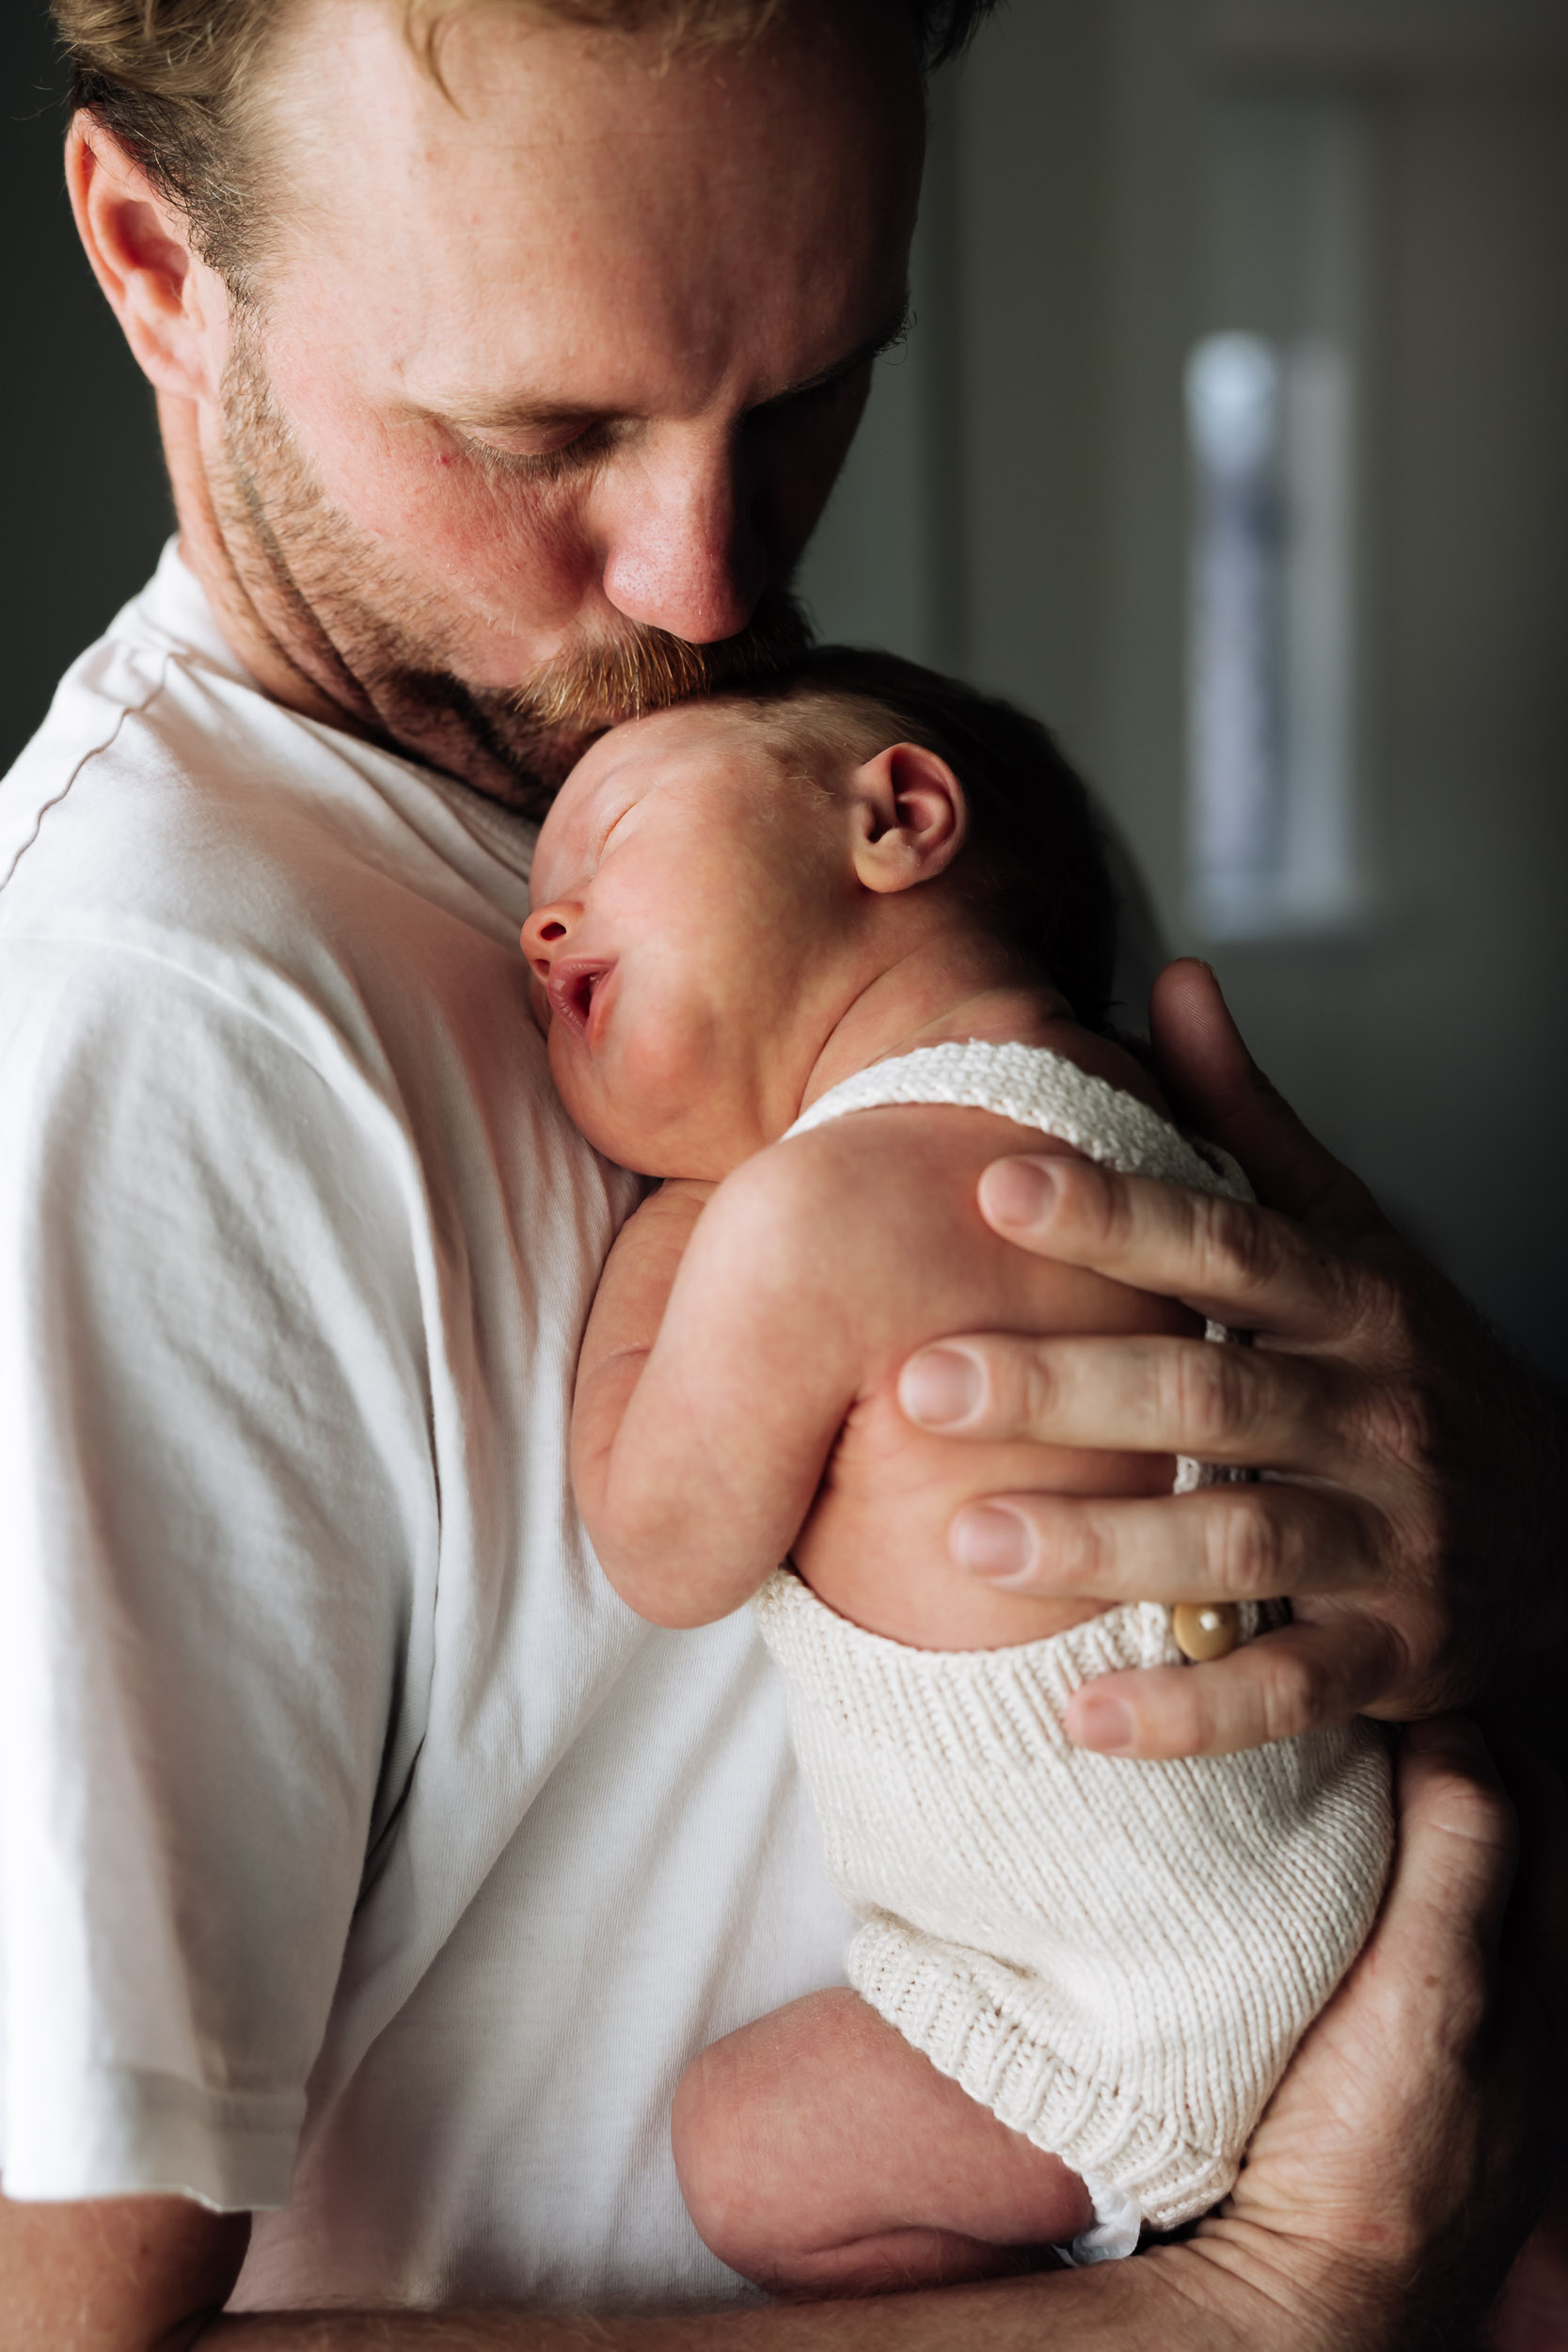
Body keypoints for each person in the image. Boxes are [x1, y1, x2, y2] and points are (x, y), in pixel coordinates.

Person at [0, 0, 1562, 2341]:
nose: (710, 581)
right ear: (151, 259)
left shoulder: (821, 819)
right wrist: (1259, 2304)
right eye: (541, 428)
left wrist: (1493, 1526)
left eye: (818, 386)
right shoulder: (164, 1022)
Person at [523, 650, 1395, 2291]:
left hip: (1109, 2016)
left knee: (745, 2149)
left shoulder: (802, 1218)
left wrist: (675, 1232)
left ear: (897, 815)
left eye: (609, 836)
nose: (539, 929)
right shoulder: (1136, 1119)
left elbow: (660, 1546)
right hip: (1331, 1856)